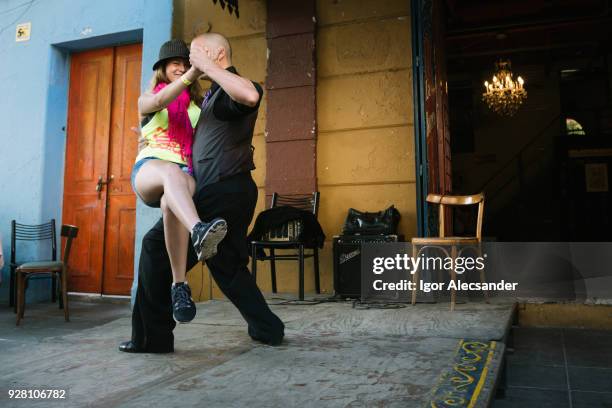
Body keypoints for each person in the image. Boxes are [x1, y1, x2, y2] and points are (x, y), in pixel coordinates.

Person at [119, 33, 285, 353]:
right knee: (227, 264)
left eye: (194, 53)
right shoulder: (209, 96)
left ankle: (151, 338)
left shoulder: (228, 87)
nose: (189, 61)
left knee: (155, 248)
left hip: (222, 190)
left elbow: (251, 96)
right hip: (228, 190)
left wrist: (208, 65)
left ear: (214, 53)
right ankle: (267, 327)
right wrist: (150, 142)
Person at [132, 39, 228, 323]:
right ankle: (198, 230)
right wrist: (192, 74)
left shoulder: (197, 109)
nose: (182, 67)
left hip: (184, 174)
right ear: (162, 67)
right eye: (176, 63)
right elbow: (161, 101)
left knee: (170, 202)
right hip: (150, 170)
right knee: (170, 173)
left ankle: (179, 286)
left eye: (186, 64)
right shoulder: (148, 99)